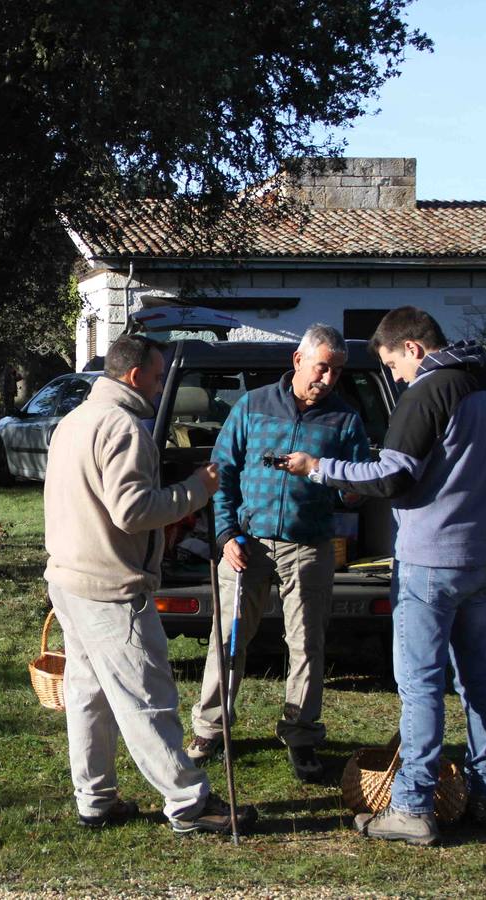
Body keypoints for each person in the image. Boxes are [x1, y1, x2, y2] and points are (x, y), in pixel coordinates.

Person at [283, 306, 486, 847]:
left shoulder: (431, 389)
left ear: (413, 348)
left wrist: (319, 468)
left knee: (421, 684)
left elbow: (392, 475)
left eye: (392, 365)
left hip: (431, 560)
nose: (396, 378)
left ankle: (411, 806)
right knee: (478, 675)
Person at [43, 334, 256, 836]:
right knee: (146, 700)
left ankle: (95, 800)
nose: (161, 389)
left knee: (89, 697)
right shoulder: (123, 427)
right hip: (111, 588)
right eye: (159, 379)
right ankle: (189, 803)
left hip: (69, 580)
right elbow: (133, 511)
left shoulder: (75, 420)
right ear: (135, 376)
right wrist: (197, 490)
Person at [185, 324, 371, 784]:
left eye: (336, 371)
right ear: (298, 361)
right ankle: (210, 729)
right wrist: (226, 534)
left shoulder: (345, 420)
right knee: (228, 640)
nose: (327, 379)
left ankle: (301, 735)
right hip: (246, 545)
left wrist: (348, 487)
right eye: (321, 368)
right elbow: (222, 473)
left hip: (309, 546)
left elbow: (357, 483)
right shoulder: (252, 406)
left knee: (307, 644)